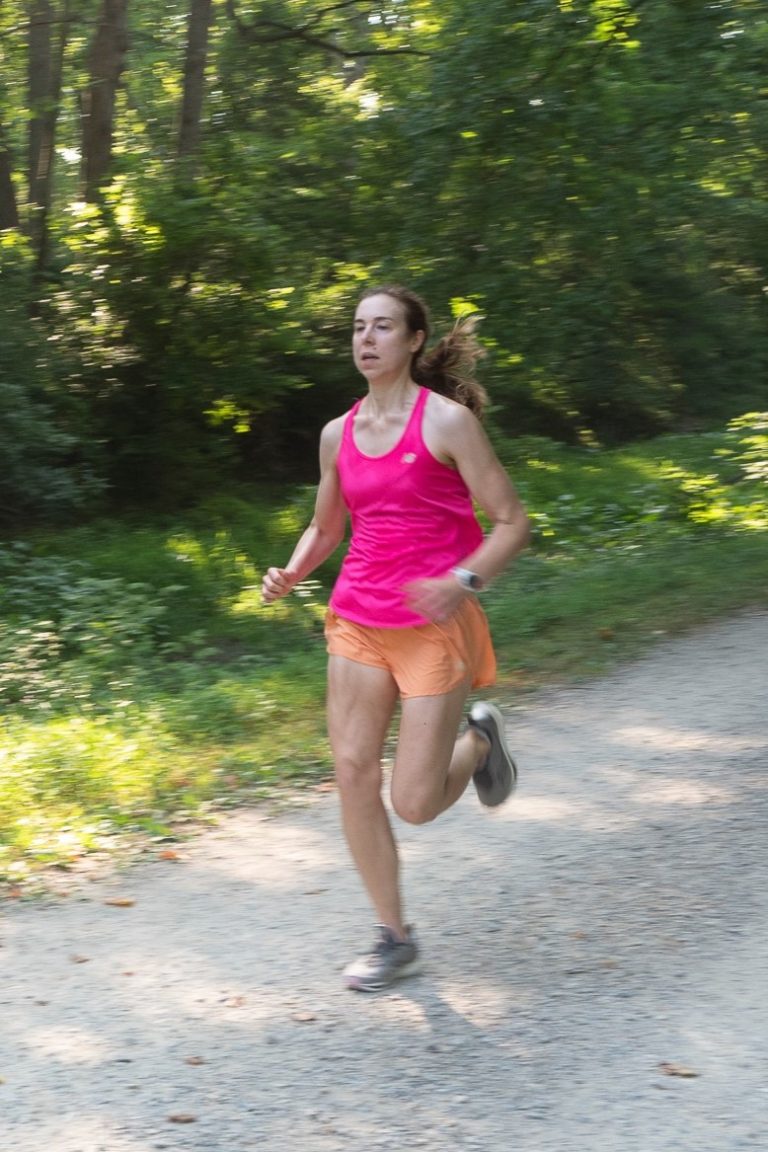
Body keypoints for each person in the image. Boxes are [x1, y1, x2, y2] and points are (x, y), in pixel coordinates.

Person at [261, 284, 530, 991]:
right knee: (352, 772)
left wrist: (462, 582)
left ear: (414, 340)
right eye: (358, 327)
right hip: (357, 620)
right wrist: (291, 572)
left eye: (383, 327)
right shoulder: (337, 433)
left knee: (413, 802)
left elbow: (511, 522)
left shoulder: (446, 424)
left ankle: (478, 741)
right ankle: (393, 937)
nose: (367, 339)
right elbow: (327, 527)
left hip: (432, 625)